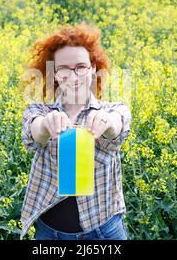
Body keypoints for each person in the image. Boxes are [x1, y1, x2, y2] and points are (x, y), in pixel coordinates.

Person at [19, 21, 132, 240]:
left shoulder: (112, 109)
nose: (73, 76)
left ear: (93, 68)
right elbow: (32, 132)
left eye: (80, 67)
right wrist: (45, 125)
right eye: (63, 69)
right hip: (50, 234)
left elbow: (119, 124)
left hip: (103, 232)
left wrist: (106, 122)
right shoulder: (39, 110)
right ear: (53, 73)